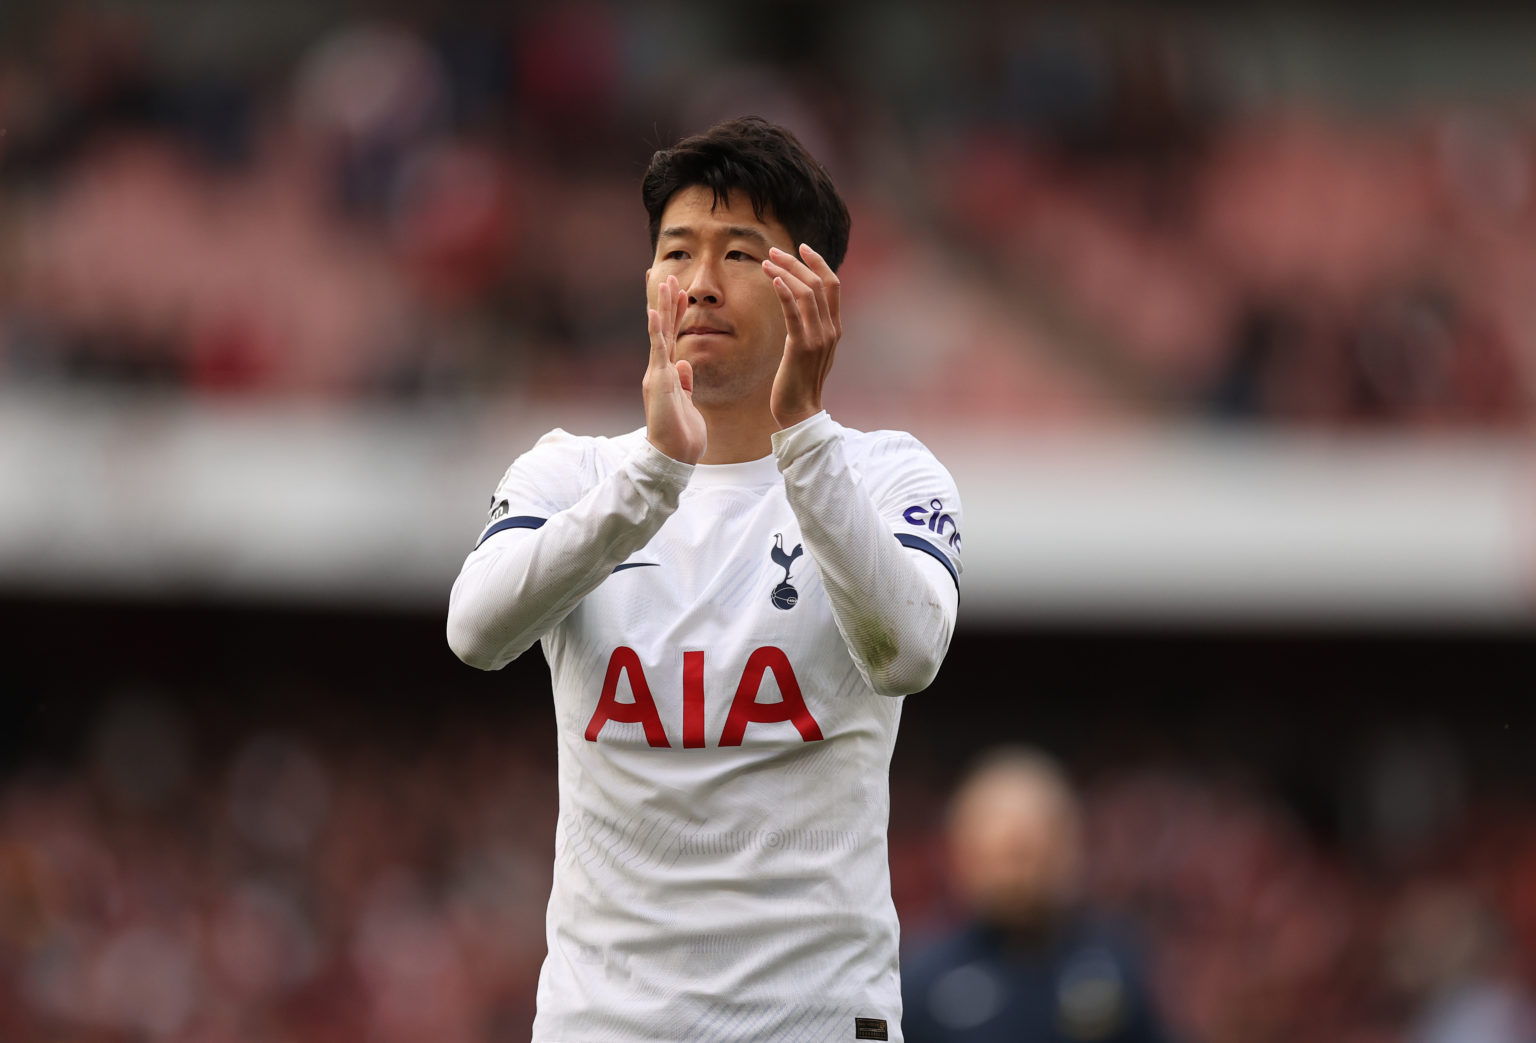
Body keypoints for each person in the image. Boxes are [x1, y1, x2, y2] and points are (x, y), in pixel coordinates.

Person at [447, 116, 962, 1042]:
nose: (700, 283)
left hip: (812, 1019)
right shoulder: (572, 473)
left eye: (740, 253)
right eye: (677, 252)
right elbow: (476, 633)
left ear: (813, 287)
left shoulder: (891, 476)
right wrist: (651, 477)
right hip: (603, 1022)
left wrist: (801, 433)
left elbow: (908, 653)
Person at [901, 748, 1173, 1043]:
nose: (1014, 876)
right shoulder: (923, 978)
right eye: (1000, 855)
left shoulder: (1114, 959)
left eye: (1025, 853)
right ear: (963, 854)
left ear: (1066, 846)